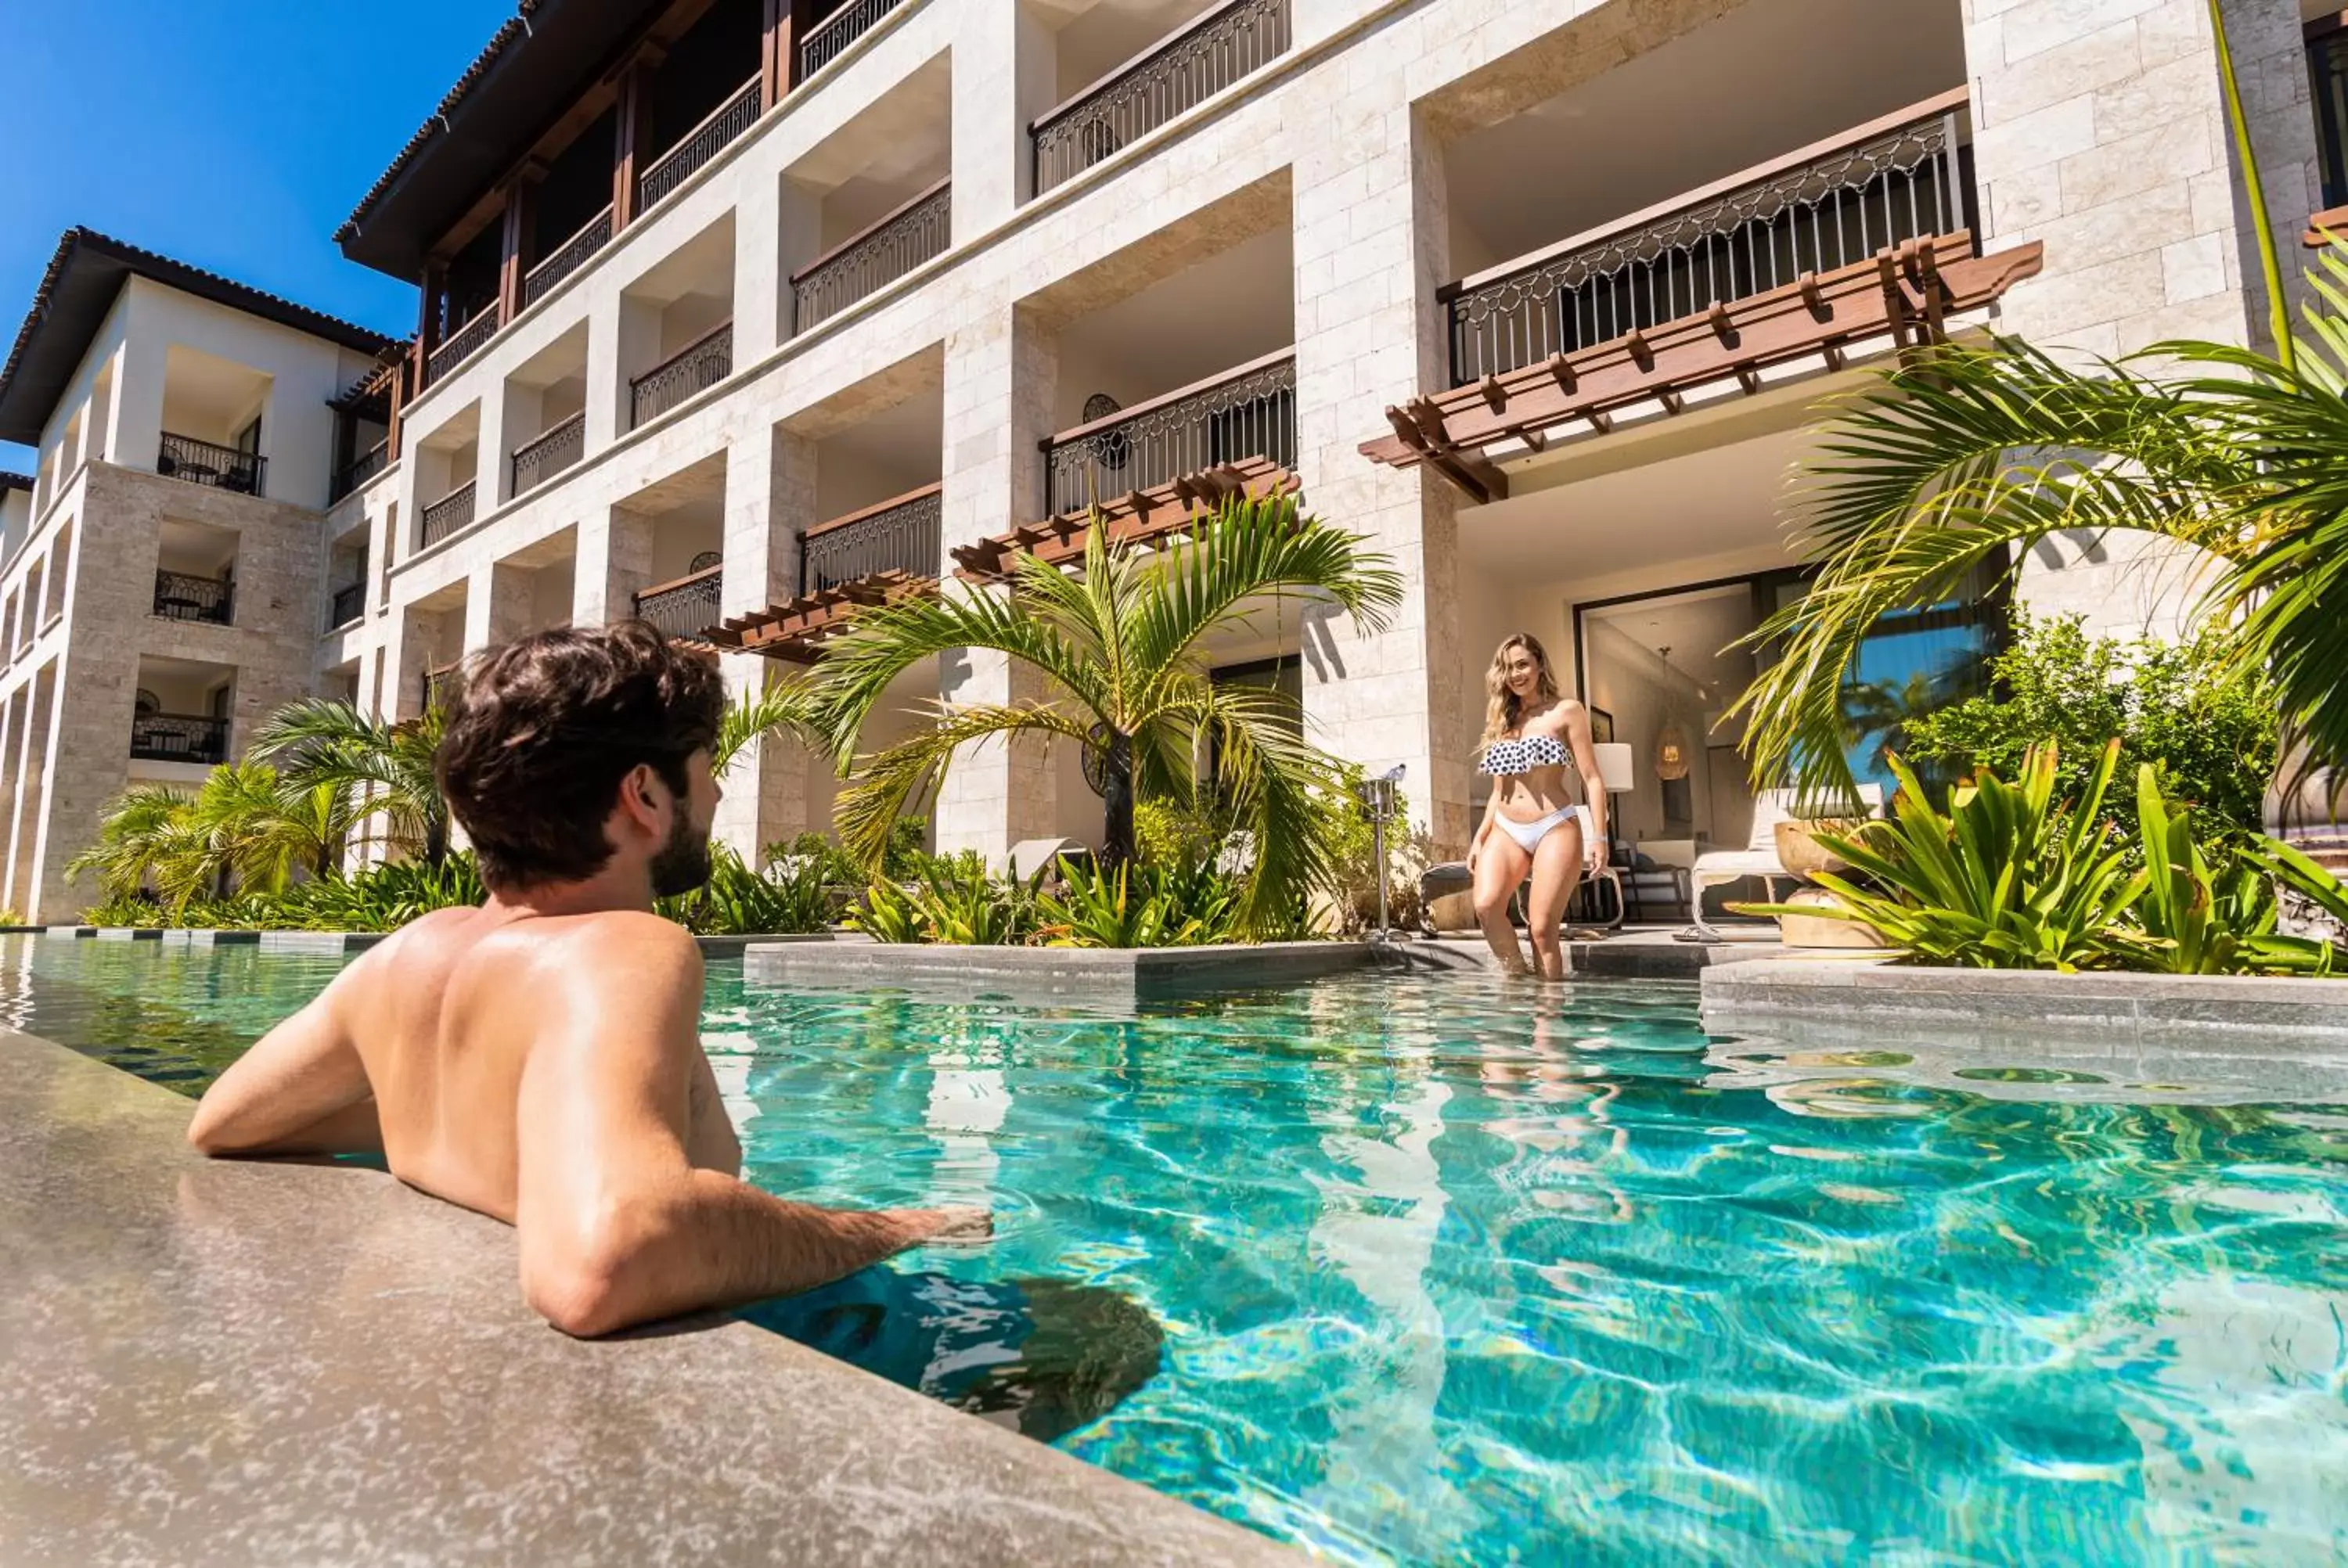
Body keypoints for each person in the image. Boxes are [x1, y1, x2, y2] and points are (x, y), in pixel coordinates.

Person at [186, 622, 990, 1336]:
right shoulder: (623, 949)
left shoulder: (412, 952)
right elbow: (606, 1260)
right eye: (705, 768)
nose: (713, 792)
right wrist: (887, 1228)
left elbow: (225, 1120)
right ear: (643, 794)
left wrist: (451, 1117)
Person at [1467, 632, 1608, 980]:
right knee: (1486, 906)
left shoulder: (1566, 711)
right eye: (1508, 668)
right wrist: (1480, 836)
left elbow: (1592, 778)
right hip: (1505, 827)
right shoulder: (1503, 721)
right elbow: (1498, 791)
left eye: (1522, 664)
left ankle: (1548, 1014)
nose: (1516, 674)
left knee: (1542, 928)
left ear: (1539, 665)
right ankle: (1518, 981)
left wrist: (1600, 838)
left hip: (1553, 824)